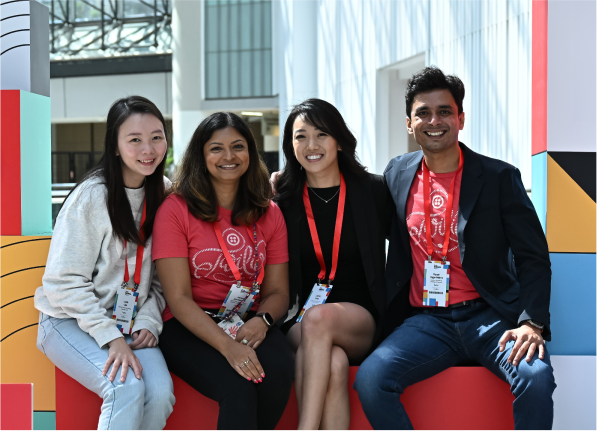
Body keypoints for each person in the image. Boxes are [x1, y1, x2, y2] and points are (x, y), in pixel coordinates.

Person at [354, 66, 556, 430]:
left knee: (536, 377)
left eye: (444, 111)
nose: (434, 121)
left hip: (490, 317)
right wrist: (285, 185)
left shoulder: (498, 177)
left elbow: (533, 258)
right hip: (426, 322)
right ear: (409, 124)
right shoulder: (397, 173)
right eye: (423, 113)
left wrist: (531, 322)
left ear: (460, 119)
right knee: (370, 379)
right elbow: (356, 201)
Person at [34, 96, 175, 431]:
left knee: (159, 395)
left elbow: (160, 277)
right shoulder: (92, 196)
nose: (148, 149)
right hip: (69, 319)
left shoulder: (164, 193)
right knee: (124, 387)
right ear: (115, 146)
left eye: (156, 137)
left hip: (129, 322)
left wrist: (149, 320)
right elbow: (63, 282)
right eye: (135, 139)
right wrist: (110, 338)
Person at [153, 112, 294, 431]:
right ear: (201, 156)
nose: (228, 156)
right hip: (187, 324)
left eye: (238, 146)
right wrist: (228, 347)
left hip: (247, 319)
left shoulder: (269, 213)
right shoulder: (175, 210)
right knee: (238, 385)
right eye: (216, 148)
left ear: (250, 153)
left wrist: (263, 321)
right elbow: (178, 299)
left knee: (279, 371)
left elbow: (278, 292)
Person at [274, 99, 403, 431]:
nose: (311, 145)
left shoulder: (373, 191)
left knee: (320, 320)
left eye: (322, 134)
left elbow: (409, 246)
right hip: (300, 317)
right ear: (290, 146)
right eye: (301, 136)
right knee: (333, 362)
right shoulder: (282, 201)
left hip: (358, 318)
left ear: (340, 141)